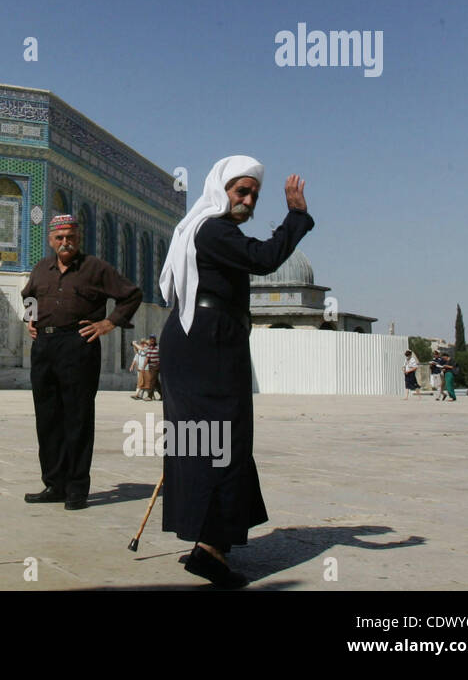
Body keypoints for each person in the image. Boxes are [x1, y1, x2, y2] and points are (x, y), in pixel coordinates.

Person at [157, 156, 312, 588]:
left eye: (253, 195)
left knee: (205, 440)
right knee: (222, 440)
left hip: (201, 339)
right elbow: (263, 259)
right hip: (209, 344)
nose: (247, 200)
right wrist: (296, 217)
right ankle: (209, 549)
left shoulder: (202, 229)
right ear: (220, 189)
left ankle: (207, 541)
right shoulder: (213, 229)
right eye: (240, 191)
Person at [21, 214, 142, 510]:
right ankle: (54, 484)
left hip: (78, 344)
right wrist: (30, 320)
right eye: (60, 238)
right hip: (45, 346)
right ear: (50, 240)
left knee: (77, 417)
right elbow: (28, 296)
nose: (65, 243)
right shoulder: (41, 268)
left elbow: (131, 295)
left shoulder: (95, 268)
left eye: (70, 238)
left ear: (78, 239)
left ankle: (76, 488)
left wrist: (108, 324)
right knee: (48, 417)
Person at [144, 335, 162, 400]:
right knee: (155, 381)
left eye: (153, 339)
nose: (152, 340)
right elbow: (147, 358)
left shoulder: (158, 347)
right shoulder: (149, 348)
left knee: (151, 380)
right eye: (151, 339)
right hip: (150, 366)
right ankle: (163, 395)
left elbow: (161, 356)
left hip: (156, 366)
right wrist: (144, 367)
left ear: (155, 340)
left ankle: (149, 396)